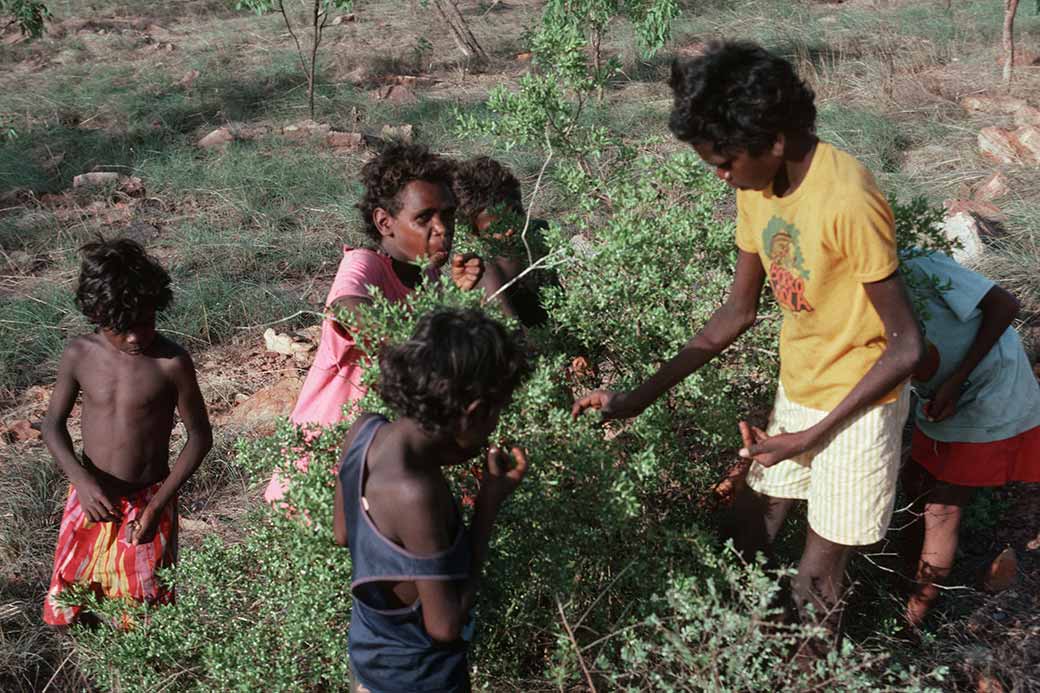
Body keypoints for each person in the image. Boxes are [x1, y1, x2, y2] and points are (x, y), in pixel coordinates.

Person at [572, 41, 923, 648]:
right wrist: (635, 398)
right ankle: (751, 652)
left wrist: (809, 437)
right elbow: (736, 312)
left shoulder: (847, 199)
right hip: (802, 387)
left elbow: (906, 346)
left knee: (816, 577)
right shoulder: (756, 187)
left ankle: (809, 678)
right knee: (749, 528)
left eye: (725, 162)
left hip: (862, 401)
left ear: (775, 141)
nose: (721, 175)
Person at [264, 142, 486, 504]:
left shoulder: (428, 276)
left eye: (448, 215)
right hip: (322, 466)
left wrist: (458, 298)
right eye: (424, 218)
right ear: (385, 222)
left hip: (377, 460)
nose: (442, 229)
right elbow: (348, 306)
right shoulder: (364, 263)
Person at [333, 308, 529, 693]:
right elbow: (444, 626)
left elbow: (342, 533)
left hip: (368, 667)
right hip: (419, 681)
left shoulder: (364, 430)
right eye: (496, 414)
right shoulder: (415, 494)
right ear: (473, 413)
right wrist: (487, 506)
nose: (494, 428)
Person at [41, 238, 212, 626]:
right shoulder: (79, 355)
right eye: (122, 328)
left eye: (146, 322)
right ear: (97, 316)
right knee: (72, 599)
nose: (136, 337)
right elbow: (52, 425)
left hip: (148, 501)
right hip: (91, 496)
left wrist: (157, 507)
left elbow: (200, 437)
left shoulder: (171, 363)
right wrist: (81, 482)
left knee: (145, 611)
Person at [900, 251, 1040, 627]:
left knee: (942, 510)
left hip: (988, 388)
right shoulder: (847, 286)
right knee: (914, 480)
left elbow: (1005, 304)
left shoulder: (917, 263)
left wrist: (956, 381)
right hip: (942, 394)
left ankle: (912, 622)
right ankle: (908, 573)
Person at [452, 156, 550, 327]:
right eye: (496, 228)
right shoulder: (484, 272)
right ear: (475, 234)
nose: (510, 230)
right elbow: (512, 334)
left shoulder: (540, 233)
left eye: (515, 214)